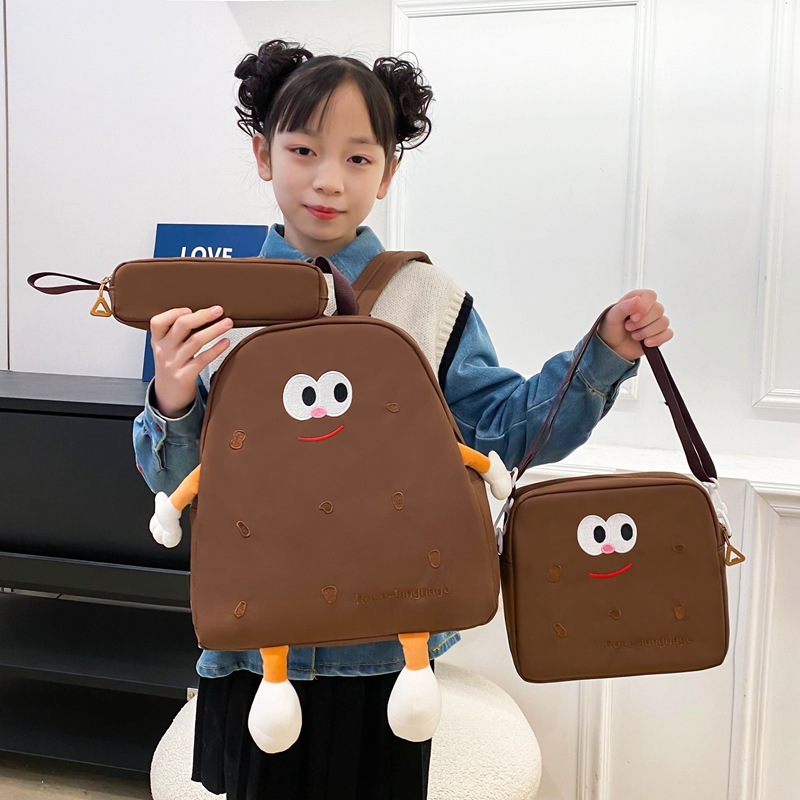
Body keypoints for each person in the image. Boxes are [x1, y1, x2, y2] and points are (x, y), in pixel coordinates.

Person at [133, 39, 673, 800]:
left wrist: (605, 353)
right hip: (258, 644)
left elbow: (506, 433)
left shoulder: (431, 301)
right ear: (263, 155)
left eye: (358, 158)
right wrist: (173, 396)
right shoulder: (210, 306)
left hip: (388, 646)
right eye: (303, 150)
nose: (328, 180)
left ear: (388, 173)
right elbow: (174, 481)